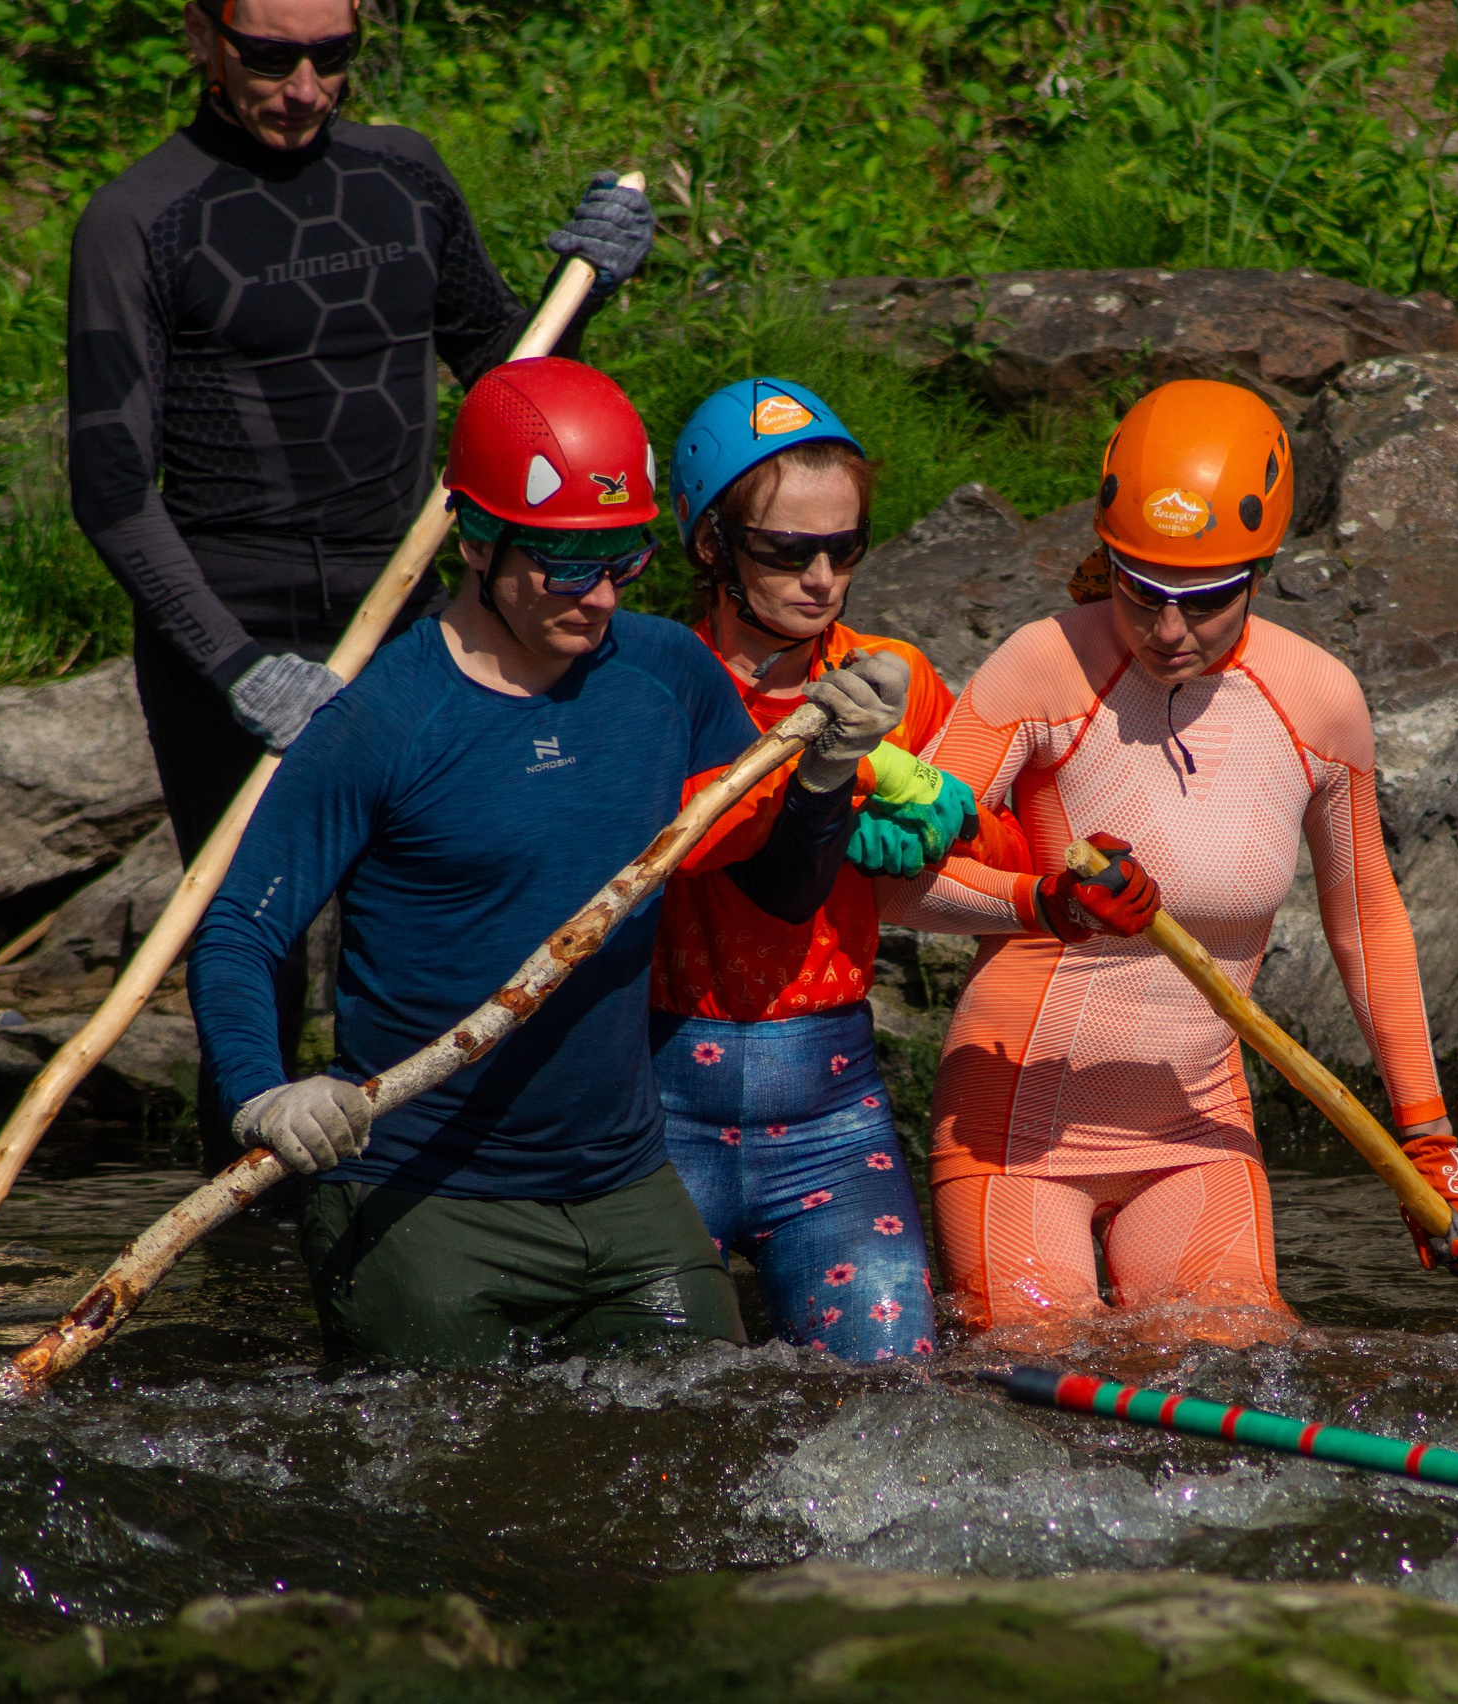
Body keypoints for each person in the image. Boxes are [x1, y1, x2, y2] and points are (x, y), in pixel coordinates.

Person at [187, 358, 911, 1365]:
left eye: (626, 559)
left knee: (710, 1439)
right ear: (477, 542)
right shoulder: (379, 720)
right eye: (569, 565)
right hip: (418, 1192)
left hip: (624, 1187)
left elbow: (778, 891)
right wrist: (263, 1091)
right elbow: (240, 928)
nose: (602, 596)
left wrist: (827, 776)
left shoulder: (666, 676)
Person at [68, 0, 656, 1148]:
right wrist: (237, 671)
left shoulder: (404, 176)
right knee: (259, 948)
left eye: (331, 58)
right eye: (269, 58)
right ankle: (244, 1244)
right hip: (227, 630)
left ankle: (455, 1189)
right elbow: (110, 491)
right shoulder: (137, 218)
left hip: (409, 619)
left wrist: (581, 294)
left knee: (440, 915)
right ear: (203, 36)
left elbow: (506, 387)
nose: (302, 90)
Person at [882, 379, 1458, 1345]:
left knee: (1242, 1375)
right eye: (1141, 592)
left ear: (1261, 569)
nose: (1169, 631)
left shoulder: (1319, 701)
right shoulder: (1040, 665)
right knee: (1046, 1385)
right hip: (1016, 1134)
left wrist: (1431, 1143)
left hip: (1194, 1130)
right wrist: (1050, 902)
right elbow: (893, 881)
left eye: (1206, 601)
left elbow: (1366, 923)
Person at [647, 378, 1014, 1363]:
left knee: (894, 1391)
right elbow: (710, 852)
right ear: (711, 544)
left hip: (832, 1119)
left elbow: (1004, 836)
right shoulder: (654, 682)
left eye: (844, 548)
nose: (821, 578)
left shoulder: (892, 678)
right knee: (643, 1410)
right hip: (654, 1113)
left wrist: (1042, 870)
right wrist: (824, 785)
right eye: (785, 550)